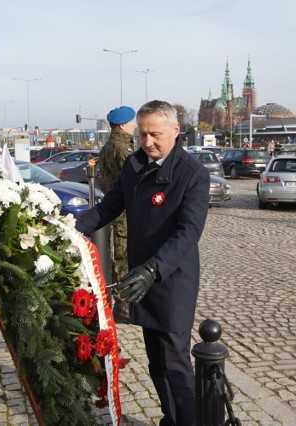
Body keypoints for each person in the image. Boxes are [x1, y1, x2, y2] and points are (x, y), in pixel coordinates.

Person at [76, 100, 210, 425]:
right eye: (142, 135)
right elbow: (109, 206)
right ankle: (171, 417)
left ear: (175, 131)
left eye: (155, 135)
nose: (148, 142)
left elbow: (188, 232)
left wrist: (153, 270)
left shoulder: (193, 174)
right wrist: (71, 227)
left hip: (170, 280)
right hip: (141, 280)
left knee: (175, 363)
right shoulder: (135, 164)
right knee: (156, 362)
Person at [99, 105, 136, 324]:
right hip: (123, 210)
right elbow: (134, 178)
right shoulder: (122, 148)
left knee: (120, 255)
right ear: (123, 125)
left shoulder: (108, 146)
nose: (133, 127)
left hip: (115, 207)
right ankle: (123, 305)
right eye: (131, 123)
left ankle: (123, 301)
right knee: (124, 257)